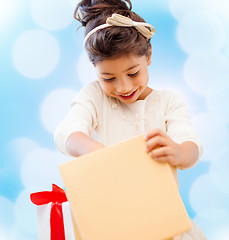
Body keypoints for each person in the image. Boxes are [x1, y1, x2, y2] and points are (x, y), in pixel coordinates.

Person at [54, 0, 206, 239]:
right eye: (108, 78)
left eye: (133, 73)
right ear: (95, 71)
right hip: (112, 225)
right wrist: (100, 154)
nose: (123, 87)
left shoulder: (167, 102)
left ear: (149, 55)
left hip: (163, 225)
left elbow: (192, 147)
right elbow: (66, 134)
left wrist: (178, 152)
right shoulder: (94, 97)